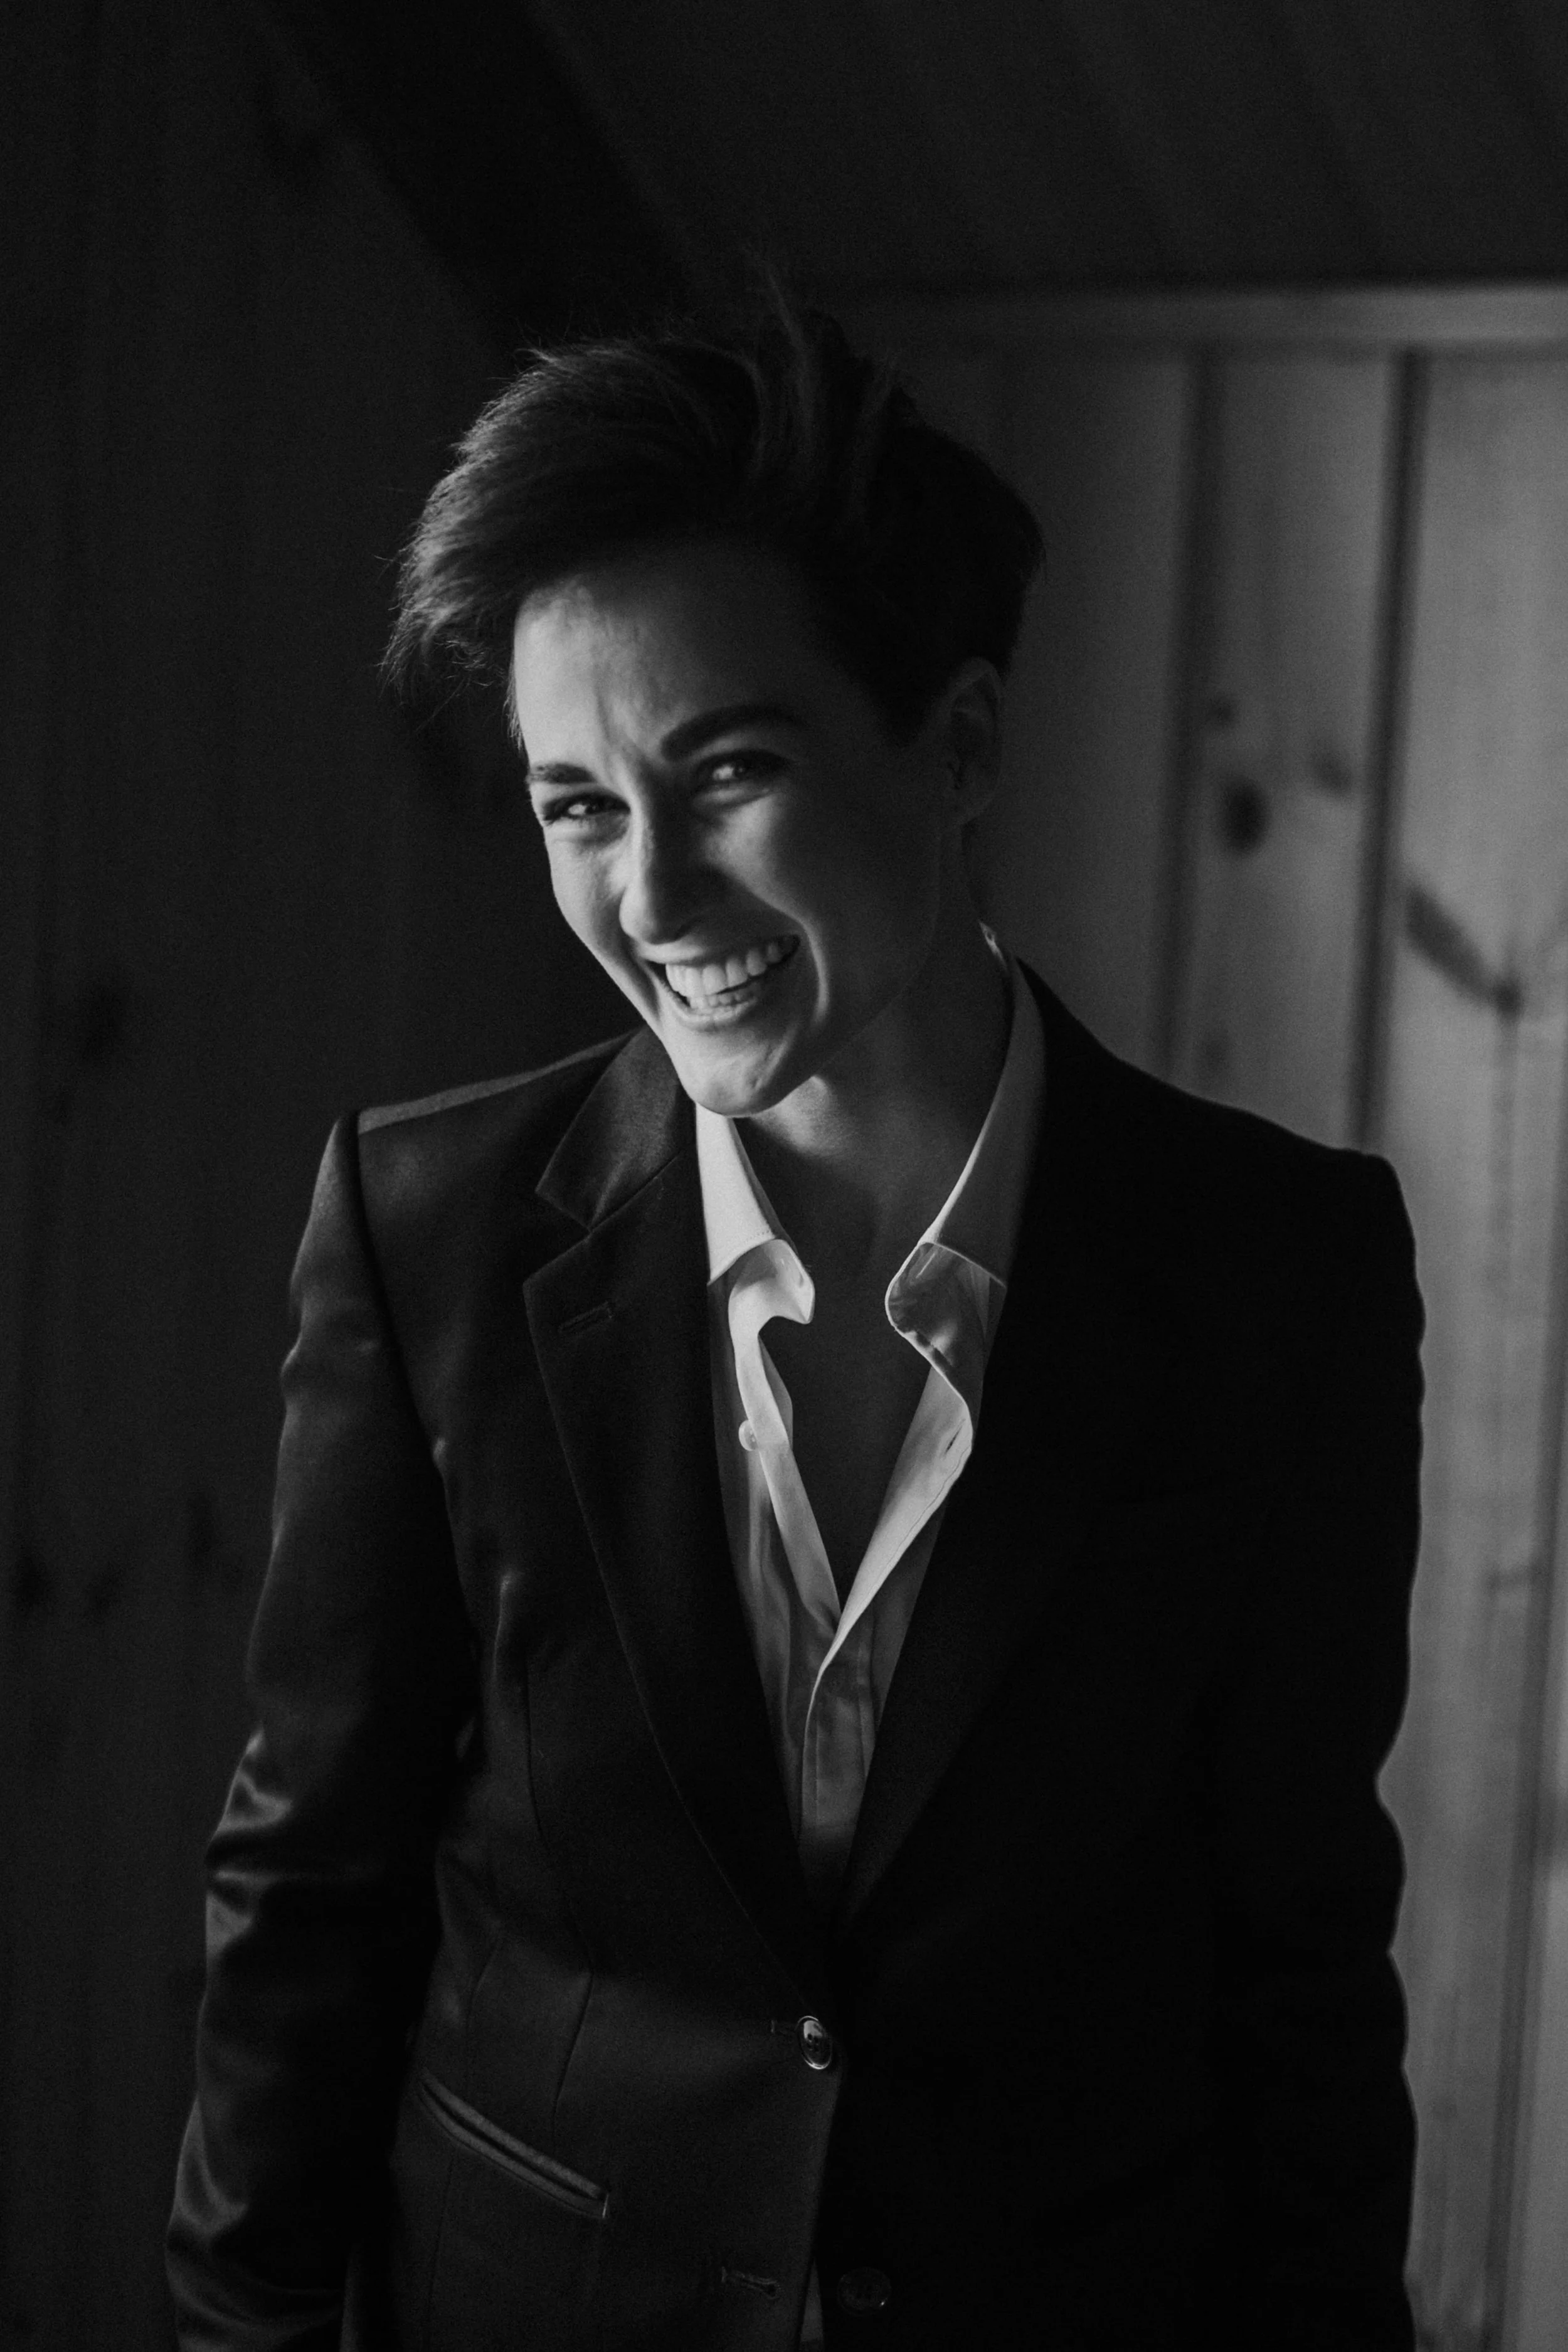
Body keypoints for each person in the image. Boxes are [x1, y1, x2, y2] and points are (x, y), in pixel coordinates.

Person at [168, 292, 1424, 2351]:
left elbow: (1296, 1954)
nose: (648, 891)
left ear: (962, 743)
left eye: (724, 768)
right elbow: (312, 1893)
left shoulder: (1276, 1274)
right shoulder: (429, 1235)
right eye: (576, 804)